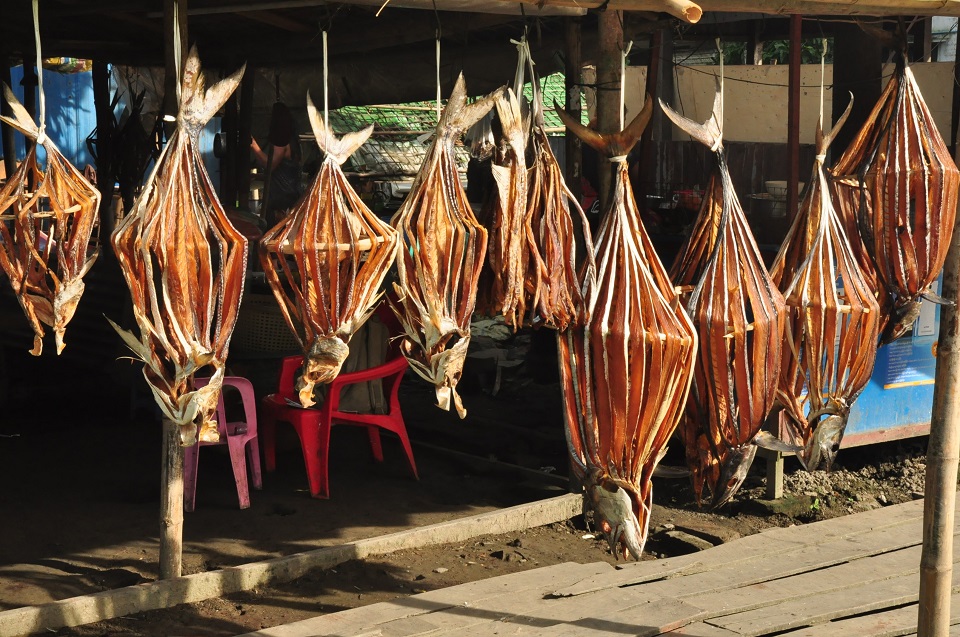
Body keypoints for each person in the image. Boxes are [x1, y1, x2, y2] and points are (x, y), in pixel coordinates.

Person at [251, 101, 302, 227]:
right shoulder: (294, 141)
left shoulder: (282, 142)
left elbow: (270, 165)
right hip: (292, 195)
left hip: (281, 200)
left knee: (274, 233)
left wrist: (253, 146)